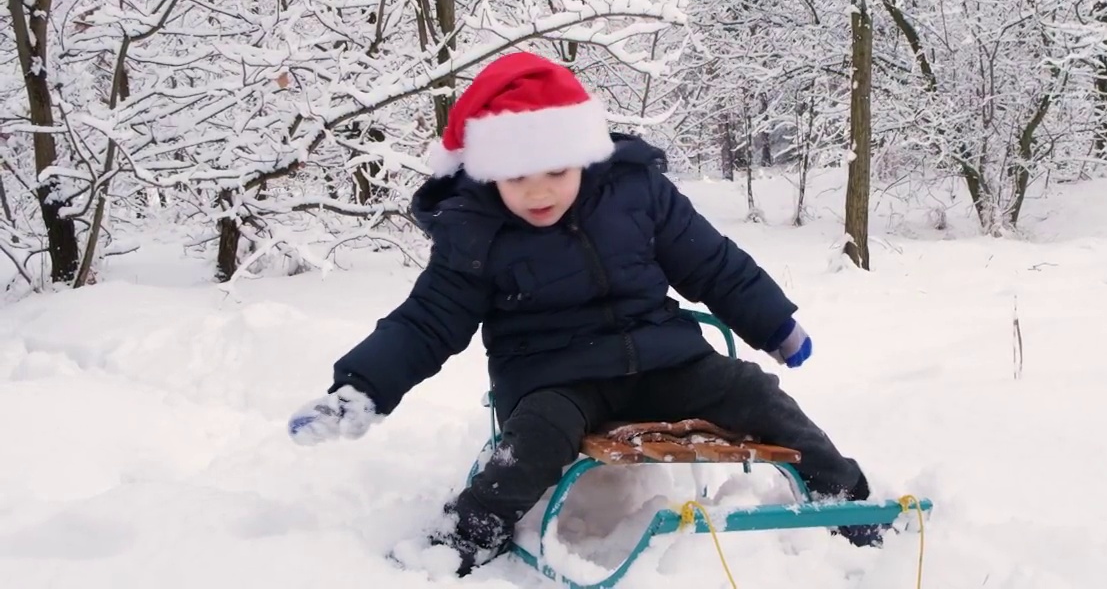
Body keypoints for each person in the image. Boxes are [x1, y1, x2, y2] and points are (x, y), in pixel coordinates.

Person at [286, 51, 879, 576]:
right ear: (491, 171)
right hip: (556, 378)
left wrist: (776, 325)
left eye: (556, 171)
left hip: (663, 360)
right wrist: (359, 390)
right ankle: (466, 536)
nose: (540, 191)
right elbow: (426, 320)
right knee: (535, 439)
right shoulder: (476, 231)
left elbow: (711, 263)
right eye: (519, 176)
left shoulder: (635, 192)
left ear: (583, 156)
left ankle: (845, 497)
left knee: (757, 393)